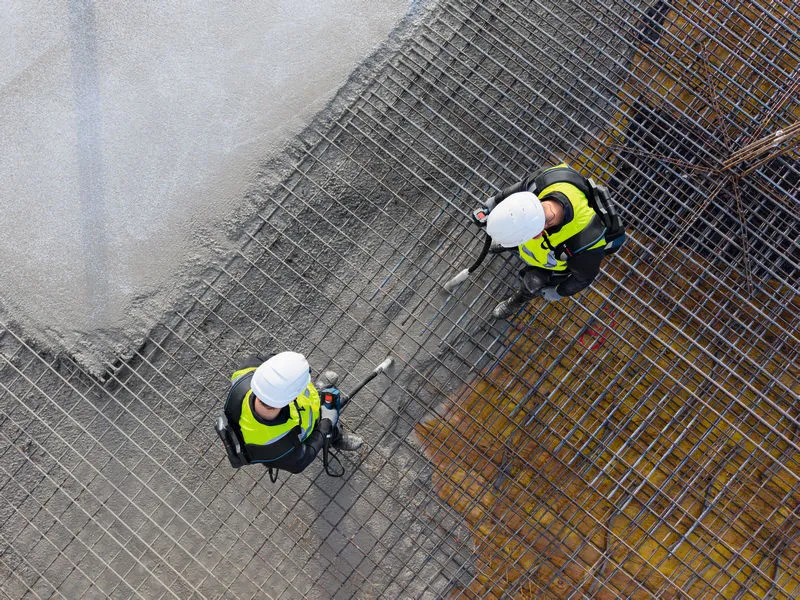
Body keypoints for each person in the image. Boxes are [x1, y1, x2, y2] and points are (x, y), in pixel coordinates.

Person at [477, 163, 623, 318]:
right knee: (511, 239)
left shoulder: (585, 242)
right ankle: (509, 243)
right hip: (533, 246)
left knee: (533, 283)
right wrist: (491, 205)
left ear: (539, 233)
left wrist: (558, 292)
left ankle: (518, 299)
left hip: (550, 266)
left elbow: (583, 277)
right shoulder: (547, 181)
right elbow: (518, 188)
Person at [221, 351, 363, 474]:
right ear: (294, 398)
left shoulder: (245, 373)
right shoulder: (276, 448)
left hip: (301, 408)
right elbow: (302, 460)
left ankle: (317, 394)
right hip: (306, 429)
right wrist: (326, 423)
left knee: (315, 401)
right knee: (328, 430)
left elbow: (274, 363)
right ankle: (334, 437)